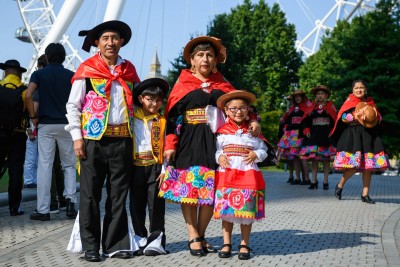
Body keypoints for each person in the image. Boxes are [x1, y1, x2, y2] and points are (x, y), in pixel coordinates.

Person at [158, 36, 261, 257]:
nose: (205, 59)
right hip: (188, 140)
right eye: (200, 55)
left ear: (215, 60)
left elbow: (240, 105)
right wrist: (170, 144)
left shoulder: (222, 85)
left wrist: (253, 120)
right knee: (190, 190)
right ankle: (192, 234)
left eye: (209, 55)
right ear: (192, 60)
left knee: (209, 192)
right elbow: (172, 118)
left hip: (215, 141)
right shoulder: (182, 84)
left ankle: (201, 235)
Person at [65, 20, 140, 262]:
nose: (110, 42)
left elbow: (138, 106)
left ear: (121, 42)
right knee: (90, 195)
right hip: (93, 142)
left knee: (118, 195)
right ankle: (91, 246)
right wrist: (77, 138)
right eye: (106, 38)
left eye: (115, 38)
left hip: (123, 141)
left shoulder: (130, 72)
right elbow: (73, 106)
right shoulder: (86, 70)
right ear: (97, 42)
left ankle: (115, 244)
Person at [25, 43, 77, 221]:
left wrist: (33, 116)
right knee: (68, 165)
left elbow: (28, 95)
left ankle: (43, 209)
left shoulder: (39, 74)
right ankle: (70, 201)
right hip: (67, 125)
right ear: (64, 57)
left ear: (47, 56)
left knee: (45, 166)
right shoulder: (71, 75)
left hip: (46, 125)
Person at [214, 90, 267, 260]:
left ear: (248, 110)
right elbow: (216, 150)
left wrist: (256, 155)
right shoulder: (221, 132)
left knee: (246, 212)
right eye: (234, 108)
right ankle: (226, 243)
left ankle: (244, 243)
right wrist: (219, 156)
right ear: (226, 111)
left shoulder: (253, 132)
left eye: (242, 108)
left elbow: (264, 149)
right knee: (228, 211)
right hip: (227, 174)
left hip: (248, 174)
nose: (238, 112)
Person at [330, 80, 389, 203]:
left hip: (368, 136)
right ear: (352, 90)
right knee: (352, 166)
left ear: (365, 89)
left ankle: (365, 194)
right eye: (356, 88)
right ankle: (340, 185)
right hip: (353, 136)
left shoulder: (370, 102)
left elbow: (378, 118)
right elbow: (342, 117)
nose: (359, 90)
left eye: (361, 87)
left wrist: (375, 117)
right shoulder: (349, 102)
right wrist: (354, 116)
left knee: (368, 167)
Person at [129, 77, 169, 256]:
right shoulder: (132, 119)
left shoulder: (162, 121)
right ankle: (139, 238)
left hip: (155, 167)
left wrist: (164, 169)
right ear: (141, 99)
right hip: (135, 166)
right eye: (150, 99)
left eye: (158, 100)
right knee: (136, 205)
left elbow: (168, 147)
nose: (154, 103)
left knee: (156, 205)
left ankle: (156, 241)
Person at [0, 59, 27, 216]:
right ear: (19, 73)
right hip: (18, 134)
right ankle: (14, 207)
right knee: (16, 170)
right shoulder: (24, 90)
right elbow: (29, 111)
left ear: (5, 72)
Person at [299, 85, 337, 190]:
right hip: (314, 136)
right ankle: (313, 181)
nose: (320, 96)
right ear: (315, 96)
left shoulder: (331, 106)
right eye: (318, 94)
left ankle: (325, 182)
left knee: (325, 160)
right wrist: (306, 130)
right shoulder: (311, 107)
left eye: (322, 94)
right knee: (314, 160)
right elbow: (305, 121)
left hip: (326, 136)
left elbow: (335, 121)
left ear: (326, 95)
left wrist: (332, 131)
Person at [23, 55, 47, 189]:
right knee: (35, 156)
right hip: (36, 126)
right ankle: (31, 180)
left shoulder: (33, 88)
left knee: (32, 156)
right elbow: (35, 109)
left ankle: (29, 180)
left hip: (33, 126)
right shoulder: (38, 90)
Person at [277, 90, 311, 185]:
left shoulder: (307, 106)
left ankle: (306, 178)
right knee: (294, 156)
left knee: (303, 156)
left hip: (302, 133)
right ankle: (297, 178)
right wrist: (284, 126)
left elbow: (309, 119)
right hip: (292, 134)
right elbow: (284, 119)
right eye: (295, 97)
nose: (297, 98)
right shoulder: (291, 108)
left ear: (302, 97)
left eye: (299, 96)